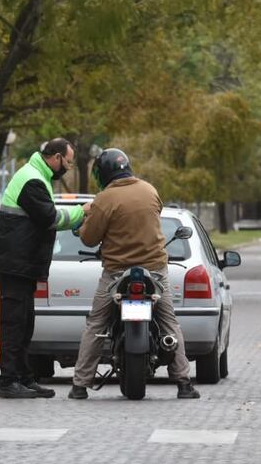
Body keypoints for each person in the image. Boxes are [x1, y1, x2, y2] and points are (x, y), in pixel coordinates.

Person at [69, 148, 200, 400]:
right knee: (169, 323)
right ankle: (184, 383)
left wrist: (86, 221)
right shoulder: (150, 190)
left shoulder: (104, 199)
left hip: (116, 272)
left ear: (103, 173)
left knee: (96, 324)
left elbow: (89, 238)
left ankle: (80, 385)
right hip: (155, 270)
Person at [0, 138, 88, 398]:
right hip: (16, 264)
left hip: (24, 264)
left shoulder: (37, 176)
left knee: (25, 324)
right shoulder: (32, 179)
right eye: (67, 162)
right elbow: (50, 218)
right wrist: (82, 212)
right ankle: (8, 381)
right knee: (14, 325)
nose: (67, 168)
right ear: (55, 157)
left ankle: (24, 377)